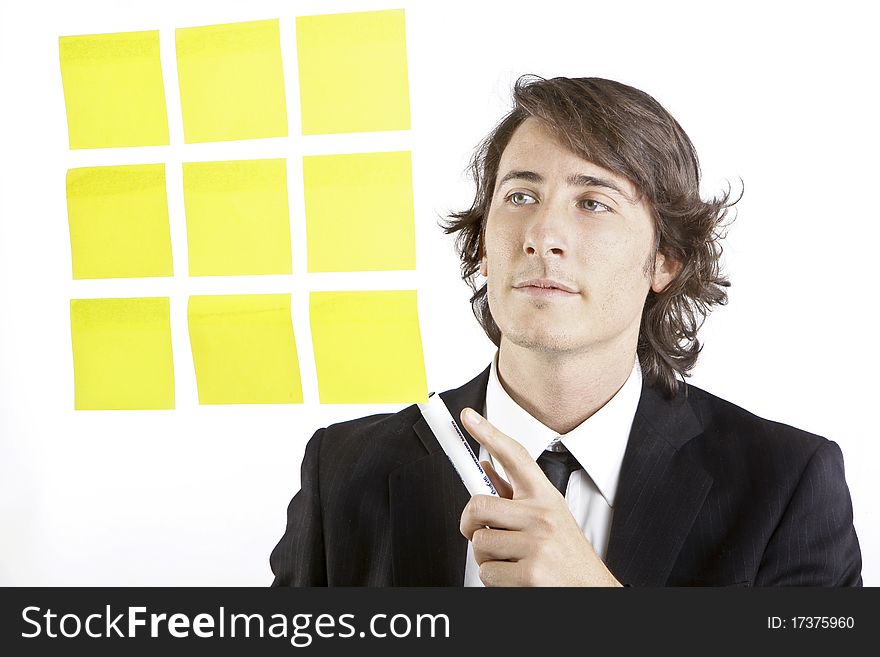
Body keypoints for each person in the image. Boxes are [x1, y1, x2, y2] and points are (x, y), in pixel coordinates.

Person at [269, 76, 862, 586]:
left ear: (666, 260)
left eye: (594, 203)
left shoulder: (786, 482)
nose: (542, 234)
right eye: (521, 195)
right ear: (480, 246)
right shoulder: (344, 467)